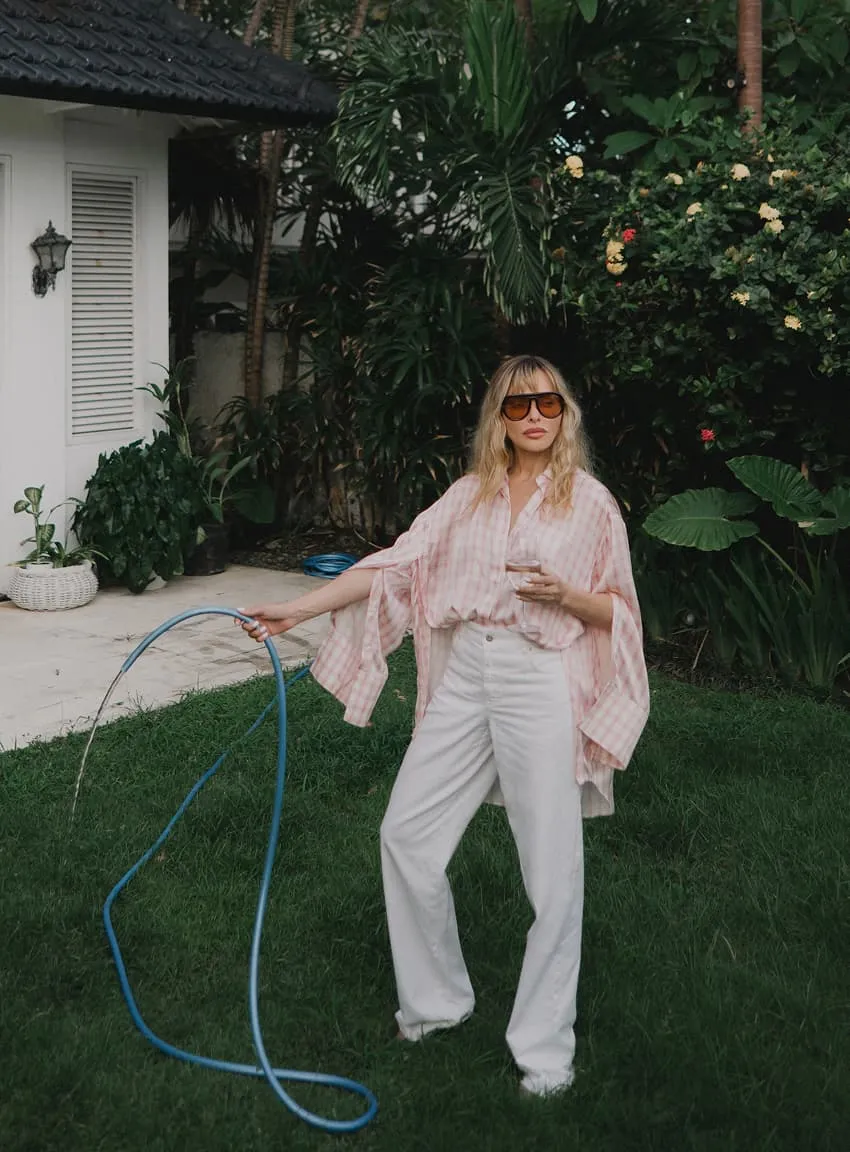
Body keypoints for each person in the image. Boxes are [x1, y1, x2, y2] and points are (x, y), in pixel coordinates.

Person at [240, 354, 649, 1097]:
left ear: (565, 416)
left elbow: (620, 610)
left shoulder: (589, 504)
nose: (533, 417)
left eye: (548, 405)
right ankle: (435, 1006)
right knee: (407, 835)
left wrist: (567, 597)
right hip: (467, 674)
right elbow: (395, 567)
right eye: (518, 404)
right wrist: (297, 609)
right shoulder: (468, 497)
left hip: (536, 674)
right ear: (498, 416)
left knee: (552, 871)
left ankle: (544, 1049)